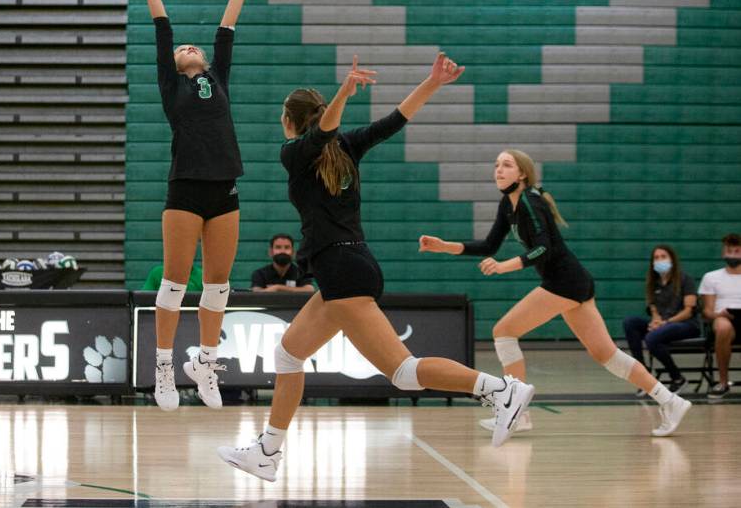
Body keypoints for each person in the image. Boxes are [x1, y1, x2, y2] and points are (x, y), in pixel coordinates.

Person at [217, 54, 535, 483]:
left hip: (343, 271)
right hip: (343, 271)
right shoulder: (344, 146)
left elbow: (331, 129)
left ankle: (500, 389)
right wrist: (432, 82)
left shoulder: (294, 152)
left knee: (403, 373)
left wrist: (346, 94)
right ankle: (267, 451)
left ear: (290, 122)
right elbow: (396, 119)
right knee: (287, 353)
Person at [419, 149, 691, 437]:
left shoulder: (529, 201)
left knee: (503, 331)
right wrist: (446, 246)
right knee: (606, 354)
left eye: (507, 165)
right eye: (496, 164)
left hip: (565, 282)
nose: (498, 170)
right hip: (573, 283)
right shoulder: (508, 204)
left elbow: (544, 248)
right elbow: (489, 245)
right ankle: (670, 400)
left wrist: (504, 267)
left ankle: (516, 410)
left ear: (522, 174)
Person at [136, 0, 253, 411]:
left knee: (219, 284)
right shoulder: (171, 84)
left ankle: (205, 362)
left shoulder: (217, 76)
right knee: (175, 282)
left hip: (224, 186)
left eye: (193, 46)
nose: (187, 46)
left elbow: (228, 25)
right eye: (180, 47)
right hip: (184, 187)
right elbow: (161, 23)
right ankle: (164, 367)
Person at [623, 245, 699, 396]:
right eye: (656, 258)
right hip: (663, 325)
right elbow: (653, 309)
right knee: (630, 322)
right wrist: (655, 321)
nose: (659, 260)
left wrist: (666, 322)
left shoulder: (685, 279)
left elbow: (688, 311)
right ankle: (644, 375)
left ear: (672, 259)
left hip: (685, 324)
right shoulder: (653, 282)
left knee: (652, 338)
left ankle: (677, 378)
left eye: (663, 257)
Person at [699, 233, 741, 401]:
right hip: (723, 318)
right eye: (729, 251)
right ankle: (723, 382)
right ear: (724, 253)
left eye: (737, 251)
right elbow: (707, 311)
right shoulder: (711, 277)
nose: (732, 255)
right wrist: (719, 314)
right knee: (723, 326)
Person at [250, 234, 314, 292]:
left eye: (287, 247)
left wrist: (278, 288)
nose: (282, 251)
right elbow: (256, 292)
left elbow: (309, 289)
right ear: (270, 252)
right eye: (278, 247)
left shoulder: (301, 272)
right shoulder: (259, 274)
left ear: (293, 252)